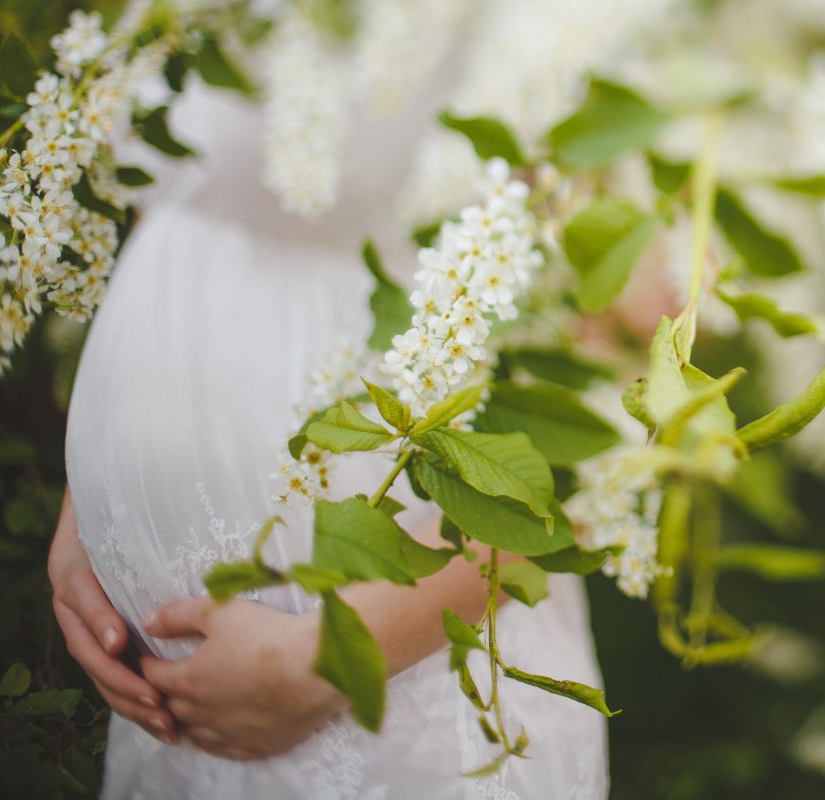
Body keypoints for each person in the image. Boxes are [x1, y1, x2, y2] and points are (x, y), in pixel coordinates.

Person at [45, 56, 609, 799]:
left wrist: (327, 659)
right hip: (175, 718)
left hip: (400, 695)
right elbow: (176, 212)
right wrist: (87, 517)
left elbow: (616, 415)